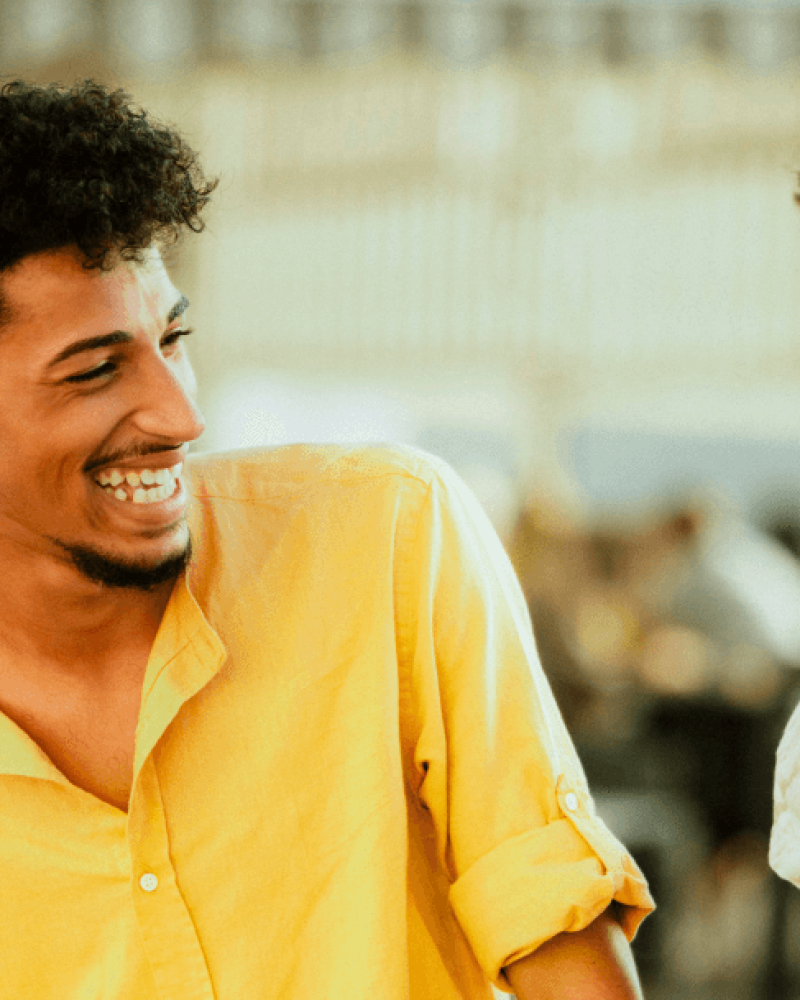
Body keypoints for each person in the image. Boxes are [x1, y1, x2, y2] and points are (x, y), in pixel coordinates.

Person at [0, 78, 653, 998]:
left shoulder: (387, 535)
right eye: (97, 370)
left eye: (173, 338)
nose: (181, 413)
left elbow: (560, 945)